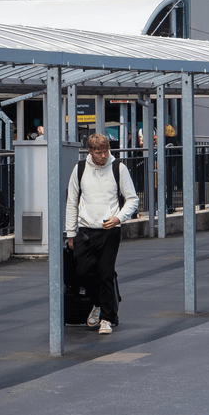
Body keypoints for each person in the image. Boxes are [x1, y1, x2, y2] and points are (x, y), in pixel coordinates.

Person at [65, 133, 138, 335]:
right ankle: (98, 304)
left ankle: (107, 318)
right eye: (98, 152)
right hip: (86, 230)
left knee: (106, 272)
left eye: (105, 151)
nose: (103, 156)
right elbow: (72, 202)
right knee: (82, 271)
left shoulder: (118, 168)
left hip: (110, 230)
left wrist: (118, 218)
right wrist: (71, 233)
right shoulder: (80, 169)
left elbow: (132, 199)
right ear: (90, 151)